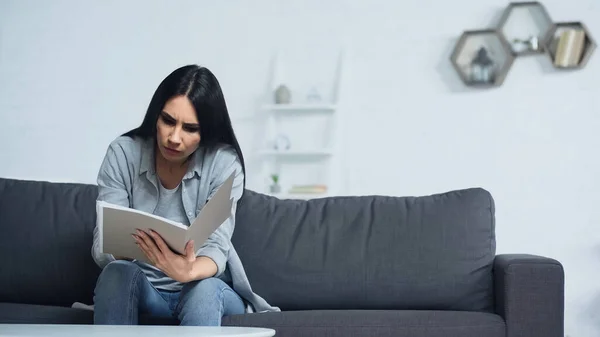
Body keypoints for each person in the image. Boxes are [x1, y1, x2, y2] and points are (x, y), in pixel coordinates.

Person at [91, 65, 279, 325]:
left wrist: (187, 270)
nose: (174, 137)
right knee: (116, 274)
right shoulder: (123, 153)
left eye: (190, 128)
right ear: (156, 115)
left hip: (202, 288)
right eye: (168, 121)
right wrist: (124, 247)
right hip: (145, 289)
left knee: (205, 289)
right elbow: (102, 247)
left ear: (207, 132)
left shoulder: (224, 163)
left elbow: (216, 248)